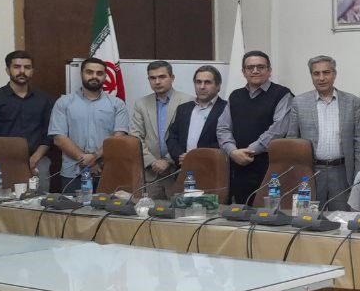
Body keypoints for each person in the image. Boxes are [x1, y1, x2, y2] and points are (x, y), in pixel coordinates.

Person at [216, 50, 295, 204]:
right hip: (238, 167)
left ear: (269, 71)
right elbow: (223, 128)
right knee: (241, 212)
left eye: (261, 67)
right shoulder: (235, 96)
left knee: (268, 213)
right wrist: (232, 152)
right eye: (250, 67)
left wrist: (249, 151)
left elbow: (278, 130)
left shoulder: (282, 94)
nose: (255, 71)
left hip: (270, 168)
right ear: (243, 72)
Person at [291, 56, 360, 211]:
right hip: (310, 172)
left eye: (326, 72)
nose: (321, 78)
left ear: (334, 74)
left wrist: (359, 178)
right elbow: (292, 140)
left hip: (341, 173)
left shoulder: (353, 102)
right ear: (311, 76)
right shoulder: (299, 102)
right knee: (306, 218)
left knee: (341, 219)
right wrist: (296, 175)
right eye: (316, 73)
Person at [49, 56, 130, 190]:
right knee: (71, 205)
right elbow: (59, 138)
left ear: (105, 76)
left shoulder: (117, 104)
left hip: (107, 172)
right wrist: (87, 161)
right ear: (81, 74)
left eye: (99, 73)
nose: (94, 76)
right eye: (89, 72)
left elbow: (118, 138)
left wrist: (95, 157)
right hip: (72, 174)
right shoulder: (64, 102)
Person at [0, 50, 53, 184]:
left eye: (27, 67)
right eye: (17, 67)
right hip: (2, 162)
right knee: (5, 197)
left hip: (37, 161)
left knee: (40, 197)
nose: (22, 71)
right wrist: (9, 162)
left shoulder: (45, 99)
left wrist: (34, 159)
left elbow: (48, 136)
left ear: (32, 71)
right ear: (7, 70)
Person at [128, 60, 190, 199]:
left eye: (162, 77)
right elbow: (135, 137)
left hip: (177, 172)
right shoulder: (141, 104)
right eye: (153, 78)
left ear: (172, 78)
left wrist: (168, 160)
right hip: (151, 173)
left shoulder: (188, 101)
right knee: (147, 211)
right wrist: (152, 161)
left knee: (179, 211)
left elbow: (188, 137)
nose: (157, 82)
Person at [165, 66, 227, 167]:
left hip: (212, 168)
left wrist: (197, 157)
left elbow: (226, 141)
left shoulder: (227, 109)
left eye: (207, 82)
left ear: (218, 86)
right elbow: (172, 137)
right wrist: (180, 156)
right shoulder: (183, 108)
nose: (202, 87)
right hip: (184, 167)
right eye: (198, 82)